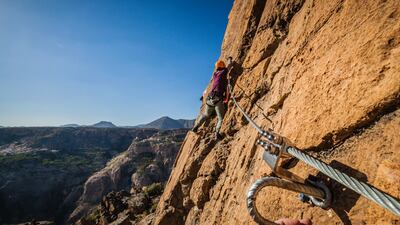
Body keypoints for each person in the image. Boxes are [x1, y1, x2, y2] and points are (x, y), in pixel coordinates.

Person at [192, 59, 229, 140]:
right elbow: (228, 67)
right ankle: (217, 133)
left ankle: (195, 127)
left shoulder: (215, 74)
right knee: (220, 118)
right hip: (217, 99)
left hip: (210, 98)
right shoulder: (224, 72)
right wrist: (229, 60)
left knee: (205, 114)